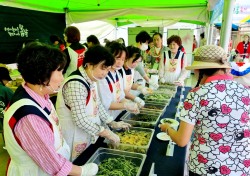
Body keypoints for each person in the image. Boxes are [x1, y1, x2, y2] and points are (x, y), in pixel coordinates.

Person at [4, 42, 98, 176]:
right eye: (59, 71)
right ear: (42, 75)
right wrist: (82, 171)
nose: (62, 77)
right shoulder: (28, 116)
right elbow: (51, 162)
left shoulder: (37, 93)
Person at [159, 45, 250, 176]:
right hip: (240, 167)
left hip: (205, 167)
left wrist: (167, 128)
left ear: (199, 70)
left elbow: (182, 140)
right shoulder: (246, 91)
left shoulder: (196, 94)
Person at [56, 45, 131, 161]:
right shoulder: (76, 84)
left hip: (88, 133)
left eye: (107, 69)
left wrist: (111, 122)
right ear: (90, 65)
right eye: (103, 68)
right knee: (77, 163)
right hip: (74, 136)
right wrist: (105, 132)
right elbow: (80, 119)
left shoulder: (91, 79)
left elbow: (98, 105)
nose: (106, 73)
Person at [97, 41, 140, 119]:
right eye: (117, 58)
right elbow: (106, 104)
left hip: (116, 114)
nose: (120, 62)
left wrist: (130, 104)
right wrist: (126, 105)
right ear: (109, 56)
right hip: (106, 117)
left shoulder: (117, 73)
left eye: (123, 59)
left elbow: (121, 96)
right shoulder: (103, 77)